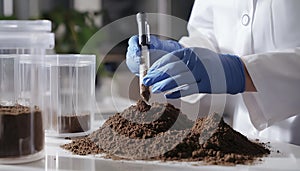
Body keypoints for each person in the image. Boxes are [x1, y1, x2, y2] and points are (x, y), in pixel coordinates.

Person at [126, 0, 300, 145]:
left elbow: (223, 66)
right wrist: (179, 54)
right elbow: (208, 35)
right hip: (246, 141)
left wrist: (242, 72)